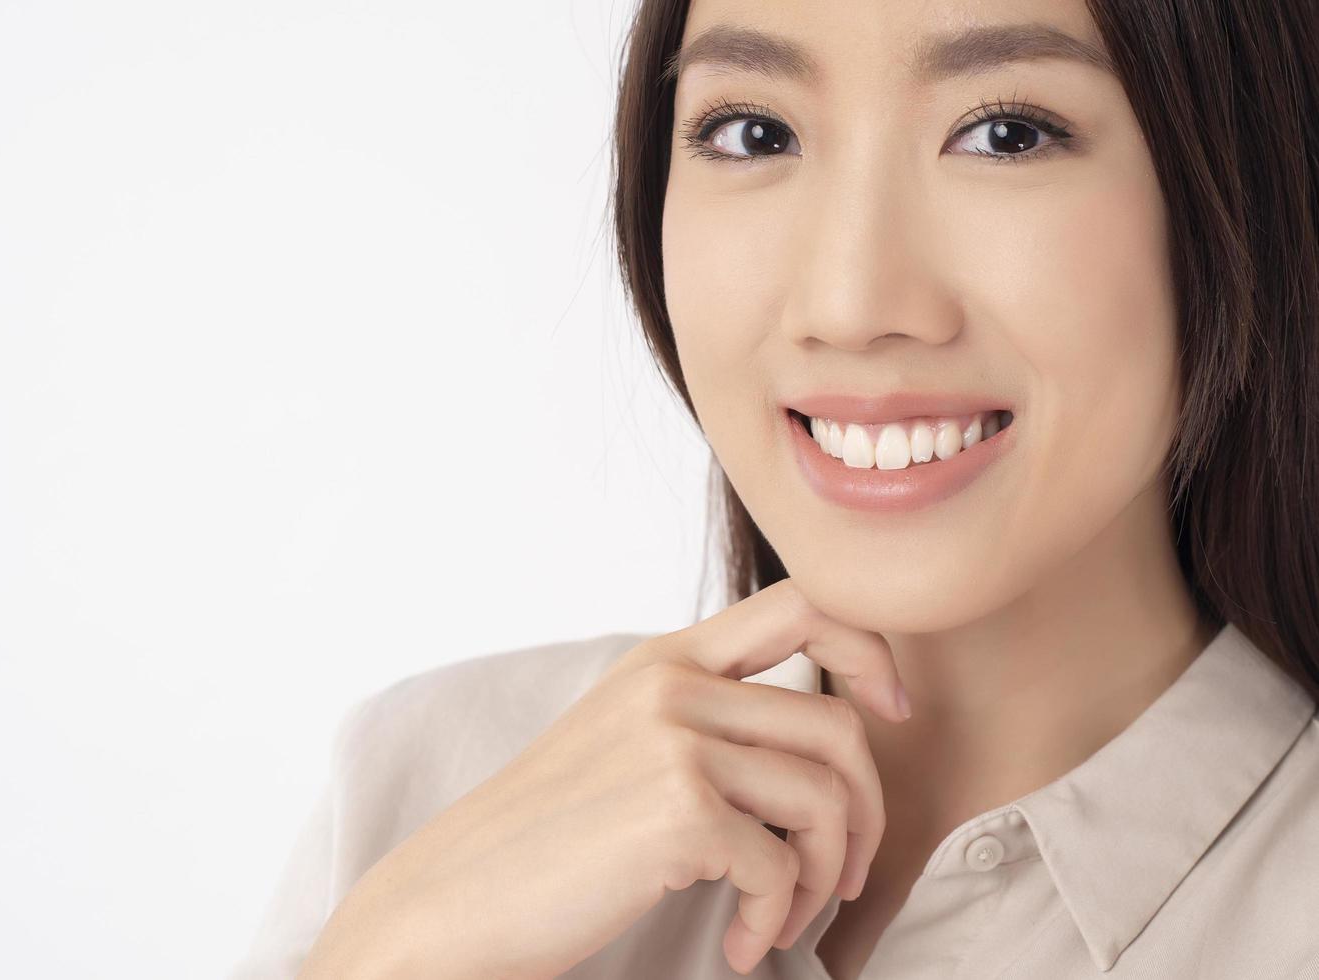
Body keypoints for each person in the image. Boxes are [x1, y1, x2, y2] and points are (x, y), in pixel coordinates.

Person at [230, 0, 1319, 977]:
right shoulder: (428, 779)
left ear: (1239, 181)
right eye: (754, 131)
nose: (850, 301)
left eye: (1007, 132)